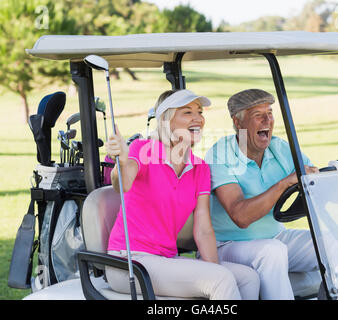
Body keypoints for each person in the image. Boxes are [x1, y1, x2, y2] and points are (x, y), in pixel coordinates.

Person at [104, 89, 260, 300]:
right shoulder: (143, 150)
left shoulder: (200, 168)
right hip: (130, 263)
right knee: (221, 280)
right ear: (167, 120)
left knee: (248, 278)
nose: (198, 118)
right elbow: (122, 183)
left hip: (166, 260)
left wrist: (213, 268)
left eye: (199, 111)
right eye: (187, 112)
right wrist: (121, 162)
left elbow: (203, 230)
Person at [205, 88, 319, 300]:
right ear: (237, 122)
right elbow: (241, 216)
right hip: (228, 245)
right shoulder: (220, 154)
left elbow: (313, 181)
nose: (268, 120)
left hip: (275, 236)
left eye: (270, 113)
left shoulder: (279, 148)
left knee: (328, 241)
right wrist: (284, 183)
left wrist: (330, 179)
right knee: (272, 251)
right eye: (258, 115)